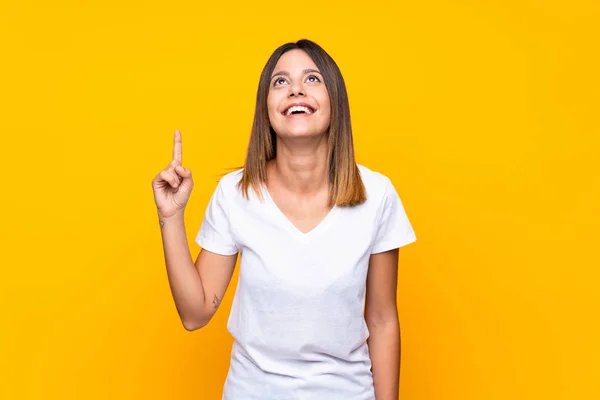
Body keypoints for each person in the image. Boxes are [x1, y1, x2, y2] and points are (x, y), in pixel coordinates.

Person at [152, 39, 417, 400]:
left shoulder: (377, 195)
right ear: (267, 109)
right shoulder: (235, 194)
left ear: (335, 101)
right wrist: (171, 216)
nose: (295, 89)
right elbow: (194, 314)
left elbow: (383, 320)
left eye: (312, 79)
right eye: (280, 82)